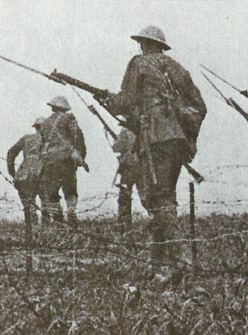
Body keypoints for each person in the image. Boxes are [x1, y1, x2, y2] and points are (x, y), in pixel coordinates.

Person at [101, 26, 207, 269]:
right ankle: (156, 262)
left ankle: (182, 260)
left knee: (159, 199)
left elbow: (125, 102)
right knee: (162, 195)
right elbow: (200, 107)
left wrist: (107, 99)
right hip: (178, 141)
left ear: (144, 45)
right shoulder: (177, 68)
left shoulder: (138, 64)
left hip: (155, 141)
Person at [39, 96, 87, 227]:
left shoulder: (45, 123)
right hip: (65, 159)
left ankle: (57, 217)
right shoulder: (69, 118)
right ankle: (71, 213)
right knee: (70, 189)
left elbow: (41, 143)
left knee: (53, 192)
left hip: (49, 161)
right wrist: (81, 155)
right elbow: (77, 136)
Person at [7, 117, 46, 229]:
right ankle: (44, 233)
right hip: (41, 174)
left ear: (36, 127)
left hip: (23, 174)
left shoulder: (26, 138)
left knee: (29, 207)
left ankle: (32, 231)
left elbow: (11, 152)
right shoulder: (48, 140)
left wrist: (12, 172)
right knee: (46, 204)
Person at [112, 126, 143, 228]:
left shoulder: (125, 130)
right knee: (146, 196)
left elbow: (116, 147)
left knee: (124, 198)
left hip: (128, 167)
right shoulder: (143, 127)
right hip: (142, 166)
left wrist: (115, 139)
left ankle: (124, 225)